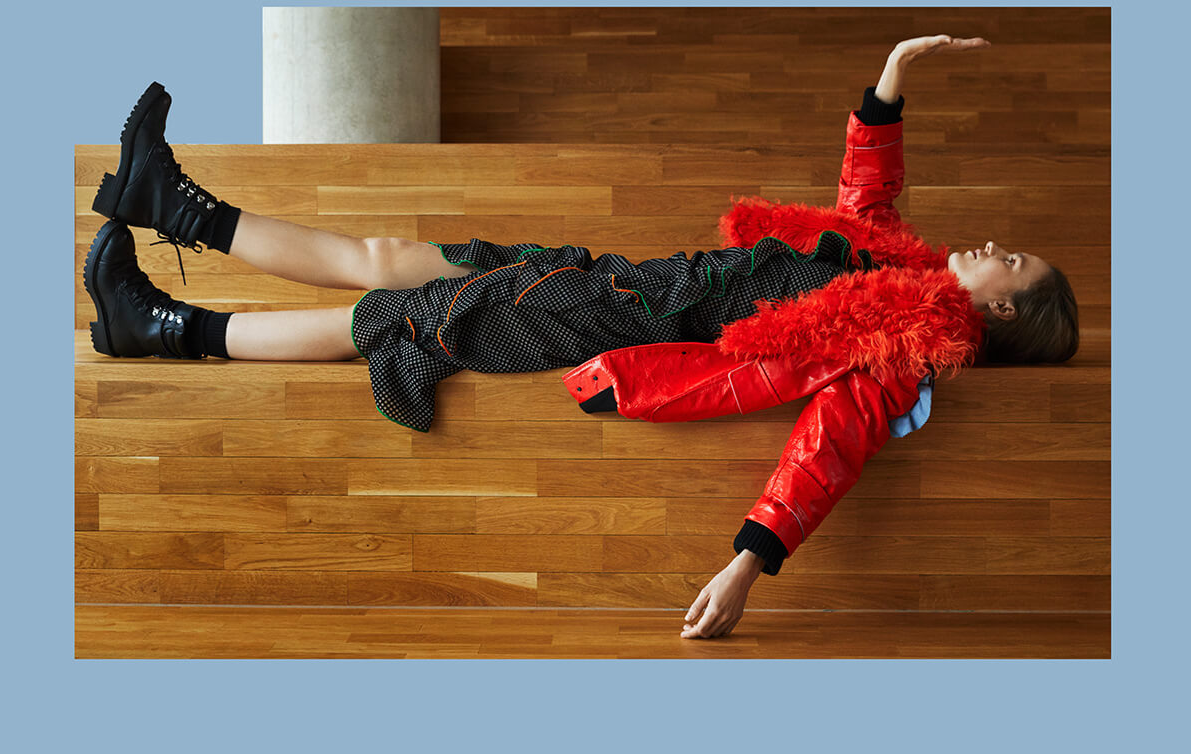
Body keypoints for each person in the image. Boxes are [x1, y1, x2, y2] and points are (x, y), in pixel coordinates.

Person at [81, 35, 1079, 639]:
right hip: (618, 276)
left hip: (617, 319)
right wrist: (892, 77)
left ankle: (168, 327)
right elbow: (866, 195)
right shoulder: (894, 269)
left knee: (394, 318)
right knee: (399, 256)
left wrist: (746, 563)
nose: (995, 245)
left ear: (997, 313)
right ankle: (176, 204)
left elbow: (828, 447)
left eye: (1013, 260)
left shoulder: (900, 346)